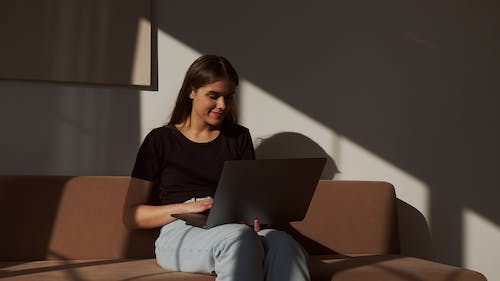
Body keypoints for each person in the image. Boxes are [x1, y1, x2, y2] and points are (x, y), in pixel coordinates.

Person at [122, 55, 310, 281]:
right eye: (214, 96)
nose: (222, 105)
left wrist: (255, 216)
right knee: (239, 240)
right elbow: (132, 216)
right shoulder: (160, 140)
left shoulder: (239, 137)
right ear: (192, 91)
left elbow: (248, 200)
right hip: (180, 231)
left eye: (228, 97)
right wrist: (188, 207)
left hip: (232, 228)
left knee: (284, 244)